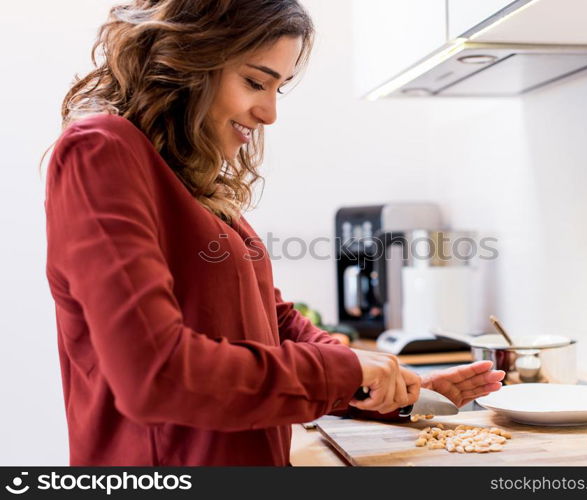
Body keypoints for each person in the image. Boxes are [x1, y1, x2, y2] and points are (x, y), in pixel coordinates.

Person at [44, 0, 505, 466]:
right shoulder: (100, 151)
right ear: (188, 60)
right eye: (254, 81)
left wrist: (387, 383)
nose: (268, 113)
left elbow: (276, 323)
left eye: (277, 89)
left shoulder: (188, 180)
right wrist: (343, 370)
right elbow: (156, 373)